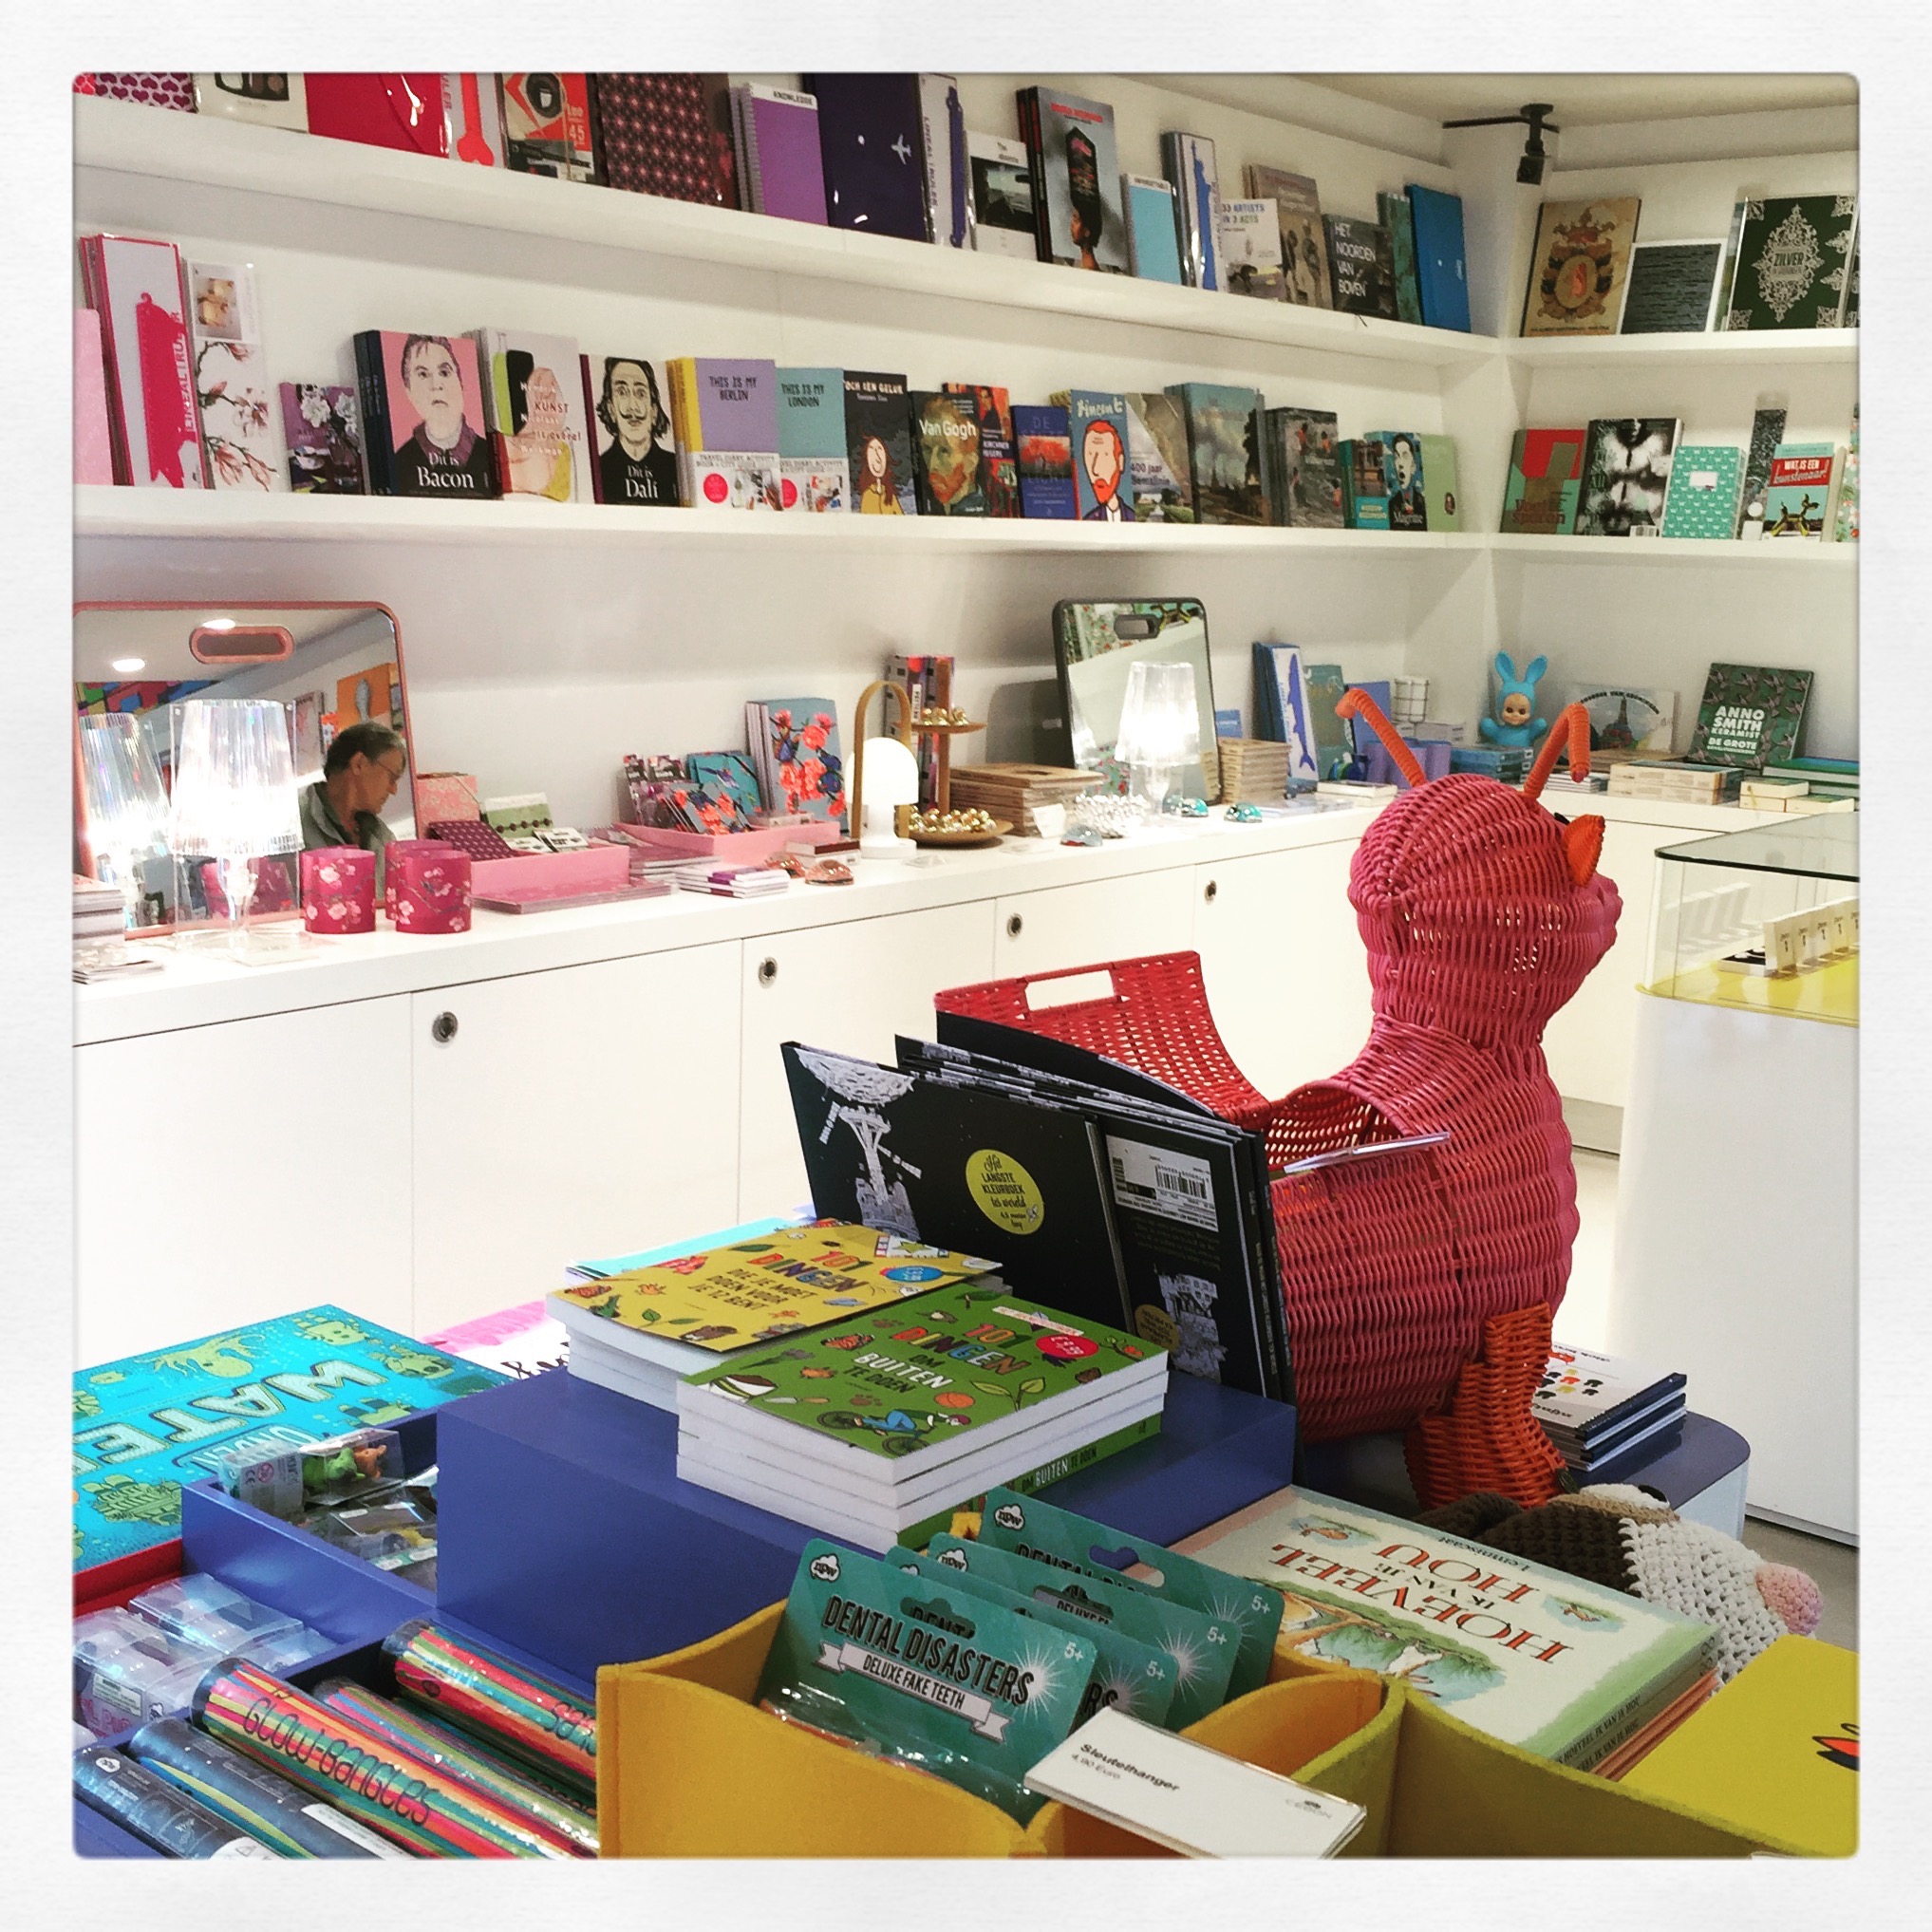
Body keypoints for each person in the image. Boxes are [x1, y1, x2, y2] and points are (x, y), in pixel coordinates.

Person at [300, 721, 405, 880]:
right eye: (392, 777)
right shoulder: (292, 824)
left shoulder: (381, 836)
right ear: (359, 763)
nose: (393, 790)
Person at [395, 334, 496, 495]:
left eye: (444, 372)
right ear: (408, 391)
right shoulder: (399, 462)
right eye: (422, 374)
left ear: (460, 383)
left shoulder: (491, 458)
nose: (436, 385)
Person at [595, 356, 679, 505]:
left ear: (654, 410)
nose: (632, 406)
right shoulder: (597, 471)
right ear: (611, 409)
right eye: (622, 392)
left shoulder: (676, 470)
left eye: (640, 393)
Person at [1079, 418, 1131, 520]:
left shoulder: (1132, 517)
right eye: (1090, 455)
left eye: (1105, 455)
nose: (1095, 470)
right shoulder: (1088, 521)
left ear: (1120, 462)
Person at [855, 433, 904, 514]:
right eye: (872, 449)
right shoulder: (868, 495)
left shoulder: (889, 494)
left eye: (879, 449)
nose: (877, 455)